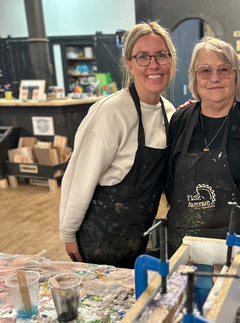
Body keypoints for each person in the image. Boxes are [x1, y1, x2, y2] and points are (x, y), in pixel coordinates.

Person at [59, 21, 177, 268]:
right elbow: (79, 178)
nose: (153, 64)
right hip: (98, 241)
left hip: (138, 238)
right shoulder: (111, 112)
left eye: (161, 55)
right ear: (129, 64)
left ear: (171, 61)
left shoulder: (169, 113)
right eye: (142, 56)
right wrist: (68, 233)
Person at [166, 36, 240, 257]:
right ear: (195, 77)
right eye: (205, 71)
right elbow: (170, 183)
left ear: (236, 75)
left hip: (238, 245)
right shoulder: (179, 121)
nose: (214, 78)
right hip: (184, 246)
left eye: (223, 69)